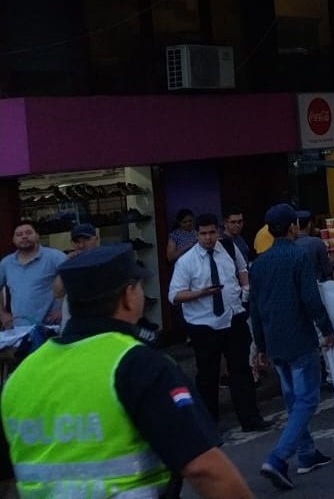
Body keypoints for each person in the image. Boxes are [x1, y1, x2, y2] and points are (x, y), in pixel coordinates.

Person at [0, 244, 253, 499]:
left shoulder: (20, 377)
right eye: (139, 287)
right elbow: (205, 469)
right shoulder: (139, 364)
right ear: (128, 295)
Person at [250, 203, 334, 490]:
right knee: (307, 400)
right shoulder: (298, 256)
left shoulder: (259, 264)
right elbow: (311, 299)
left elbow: (255, 310)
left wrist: (260, 345)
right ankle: (277, 458)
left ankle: (307, 453)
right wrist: (326, 328)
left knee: (292, 401)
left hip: (274, 341)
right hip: (299, 338)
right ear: (293, 228)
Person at [168, 213, 269, 432]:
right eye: (203, 233)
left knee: (241, 370)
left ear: (218, 231)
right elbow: (175, 295)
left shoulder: (229, 248)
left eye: (212, 232)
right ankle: (209, 424)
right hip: (203, 324)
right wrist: (200, 293)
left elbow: (243, 269)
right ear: (196, 234)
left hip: (233, 317)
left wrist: (245, 290)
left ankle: (250, 419)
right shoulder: (187, 261)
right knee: (207, 375)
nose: (208, 238)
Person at [0, 220, 65, 329]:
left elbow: (76, 282)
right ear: (13, 239)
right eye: (19, 235)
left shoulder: (55, 257)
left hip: (50, 327)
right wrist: (2, 314)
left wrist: (64, 311)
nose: (24, 237)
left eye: (28, 233)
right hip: (19, 328)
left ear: (37, 235)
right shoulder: (6, 263)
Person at [294, 216, 334, 283]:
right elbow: (327, 270)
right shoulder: (317, 242)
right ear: (309, 225)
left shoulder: (292, 244)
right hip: (318, 285)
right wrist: (332, 261)